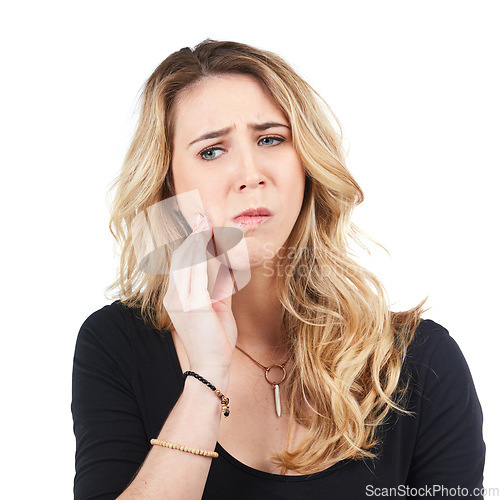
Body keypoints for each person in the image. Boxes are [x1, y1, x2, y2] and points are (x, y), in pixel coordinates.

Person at [71, 39, 485, 499]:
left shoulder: (420, 361)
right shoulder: (115, 345)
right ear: (168, 183)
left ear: (307, 164)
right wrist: (206, 377)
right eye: (211, 151)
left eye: (271, 139)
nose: (250, 172)